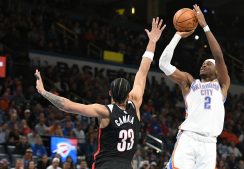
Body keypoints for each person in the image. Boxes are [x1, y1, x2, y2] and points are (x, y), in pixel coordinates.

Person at [35, 17, 166, 169]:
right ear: (128, 95)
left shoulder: (104, 111)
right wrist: (153, 41)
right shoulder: (135, 103)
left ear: (110, 93)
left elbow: (68, 106)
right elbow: (143, 71)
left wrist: (44, 92)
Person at [159, 4, 230, 169]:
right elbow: (163, 64)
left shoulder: (222, 84)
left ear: (218, 71)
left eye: (208, 64)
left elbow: (218, 56)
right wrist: (177, 35)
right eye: (203, 63)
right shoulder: (190, 82)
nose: (203, 66)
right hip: (188, 138)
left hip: (210, 143)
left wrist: (204, 26)